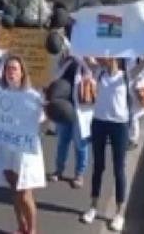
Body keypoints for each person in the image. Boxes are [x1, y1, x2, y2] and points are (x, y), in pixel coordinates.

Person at [80, 56, 144, 231]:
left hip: (119, 126)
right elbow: (81, 53)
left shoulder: (128, 75)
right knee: (98, 167)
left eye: (106, 55)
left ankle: (119, 213)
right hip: (99, 123)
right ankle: (93, 206)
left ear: (115, 58)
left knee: (119, 168)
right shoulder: (98, 72)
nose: (101, 58)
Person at [0, 55, 46, 234]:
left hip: (24, 151)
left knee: (24, 192)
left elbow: (42, 120)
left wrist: (46, 109)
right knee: (13, 188)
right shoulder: (0, 94)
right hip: (6, 147)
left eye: (14, 68)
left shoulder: (32, 96)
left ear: (22, 73)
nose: (10, 72)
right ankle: (21, 226)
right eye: (8, 68)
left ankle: (32, 230)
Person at [48, 53, 94, 189]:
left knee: (80, 143)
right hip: (64, 107)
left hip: (81, 109)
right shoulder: (66, 60)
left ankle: (79, 174)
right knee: (63, 141)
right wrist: (63, 61)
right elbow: (55, 77)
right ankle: (58, 170)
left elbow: (94, 73)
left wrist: (85, 59)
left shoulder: (89, 59)